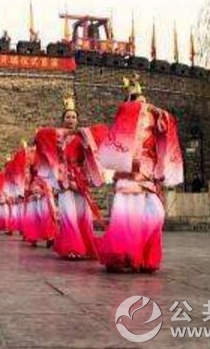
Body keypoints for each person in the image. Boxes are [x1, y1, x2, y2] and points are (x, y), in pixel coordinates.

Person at [98, 74, 183, 273]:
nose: (141, 104)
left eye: (143, 100)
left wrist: (157, 112)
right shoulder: (124, 118)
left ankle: (143, 255)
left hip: (147, 170)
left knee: (156, 214)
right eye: (136, 100)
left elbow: (167, 125)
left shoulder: (153, 115)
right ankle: (123, 256)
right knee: (127, 215)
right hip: (128, 170)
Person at [34, 97, 106, 259]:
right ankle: (72, 248)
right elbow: (39, 136)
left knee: (83, 214)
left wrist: (85, 135)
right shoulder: (56, 137)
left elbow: (99, 138)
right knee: (68, 213)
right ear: (62, 120)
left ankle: (85, 246)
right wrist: (64, 133)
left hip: (79, 178)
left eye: (74, 117)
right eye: (67, 117)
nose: (71, 120)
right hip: (64, 178)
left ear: (77, 120)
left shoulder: (83, 136)